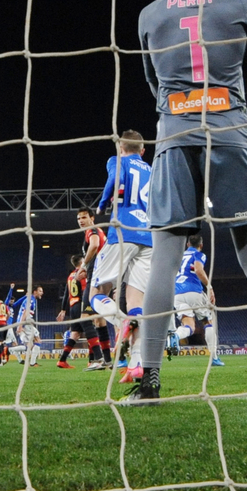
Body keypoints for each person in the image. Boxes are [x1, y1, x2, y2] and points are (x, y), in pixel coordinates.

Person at [127, 0, 247, 403]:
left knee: (164, 257)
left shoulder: (148, 14)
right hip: (230, 129)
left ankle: (151, 381)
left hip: (174, 134)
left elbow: (152, 81)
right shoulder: (243, 2)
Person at [90, 132, 154, 383]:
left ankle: (120, 321)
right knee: (136, 301)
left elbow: (115, 180)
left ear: (120, 147)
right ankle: (136, 365)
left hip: (122, 232)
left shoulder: (117, 160)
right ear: (143, 150)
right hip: (149, 237)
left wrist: (103, 204)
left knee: (96, 294)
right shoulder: (151, 168)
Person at [173, 234, 224, 366]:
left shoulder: (178, 255)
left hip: (177, 293)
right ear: (201, 245)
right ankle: (214, 357)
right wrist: (209, 287)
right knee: (208, 322)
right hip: (193, 291)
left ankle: (176, 336)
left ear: (187, 244)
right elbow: (198, 270)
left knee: (189, 326)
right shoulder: (199, 255)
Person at [77, 208, 113, 370]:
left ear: (92, 218)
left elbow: (94, 245)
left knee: (85, 317)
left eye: (84, 217)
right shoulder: (100, 231)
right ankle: (107, 359)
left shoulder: (91, 230)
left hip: (96, 276)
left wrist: (83, 265)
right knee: (99, 319)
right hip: (104, 274)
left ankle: (97, 359)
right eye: (78, 218)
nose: (80, 220)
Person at [56, 257, 97, 369]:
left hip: (73, 306)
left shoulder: (71, 276)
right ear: (81, 262)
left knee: (75, 334)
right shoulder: (82, 273)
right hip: (81, 305)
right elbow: (85, 290)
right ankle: (92, 360)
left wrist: (63, 309)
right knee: (90, 330)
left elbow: (66, 294)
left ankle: (62, 360)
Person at [9, 286, 44, 367]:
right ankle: (32, 362)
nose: (42, 293)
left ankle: (9, 350)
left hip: (25, 322)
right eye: (40, 291)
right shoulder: (31, 300)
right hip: (26, 322)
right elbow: (25, 312)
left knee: (29, 345)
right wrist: (20, 325)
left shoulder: (31, 299)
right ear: (35, 292)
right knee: (37, 340)